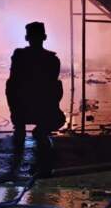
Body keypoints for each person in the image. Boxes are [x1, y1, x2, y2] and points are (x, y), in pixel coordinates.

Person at [5, 22, 66, 156]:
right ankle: (41, 130)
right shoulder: (52, 59)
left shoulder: (19, 56)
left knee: (11, 84)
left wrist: (15, 109)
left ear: (27, 38)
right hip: (44, 110)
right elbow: (54, 89)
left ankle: (20, 127)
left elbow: (12, 83)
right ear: (44, 37)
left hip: (22, 109)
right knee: (59, 117)